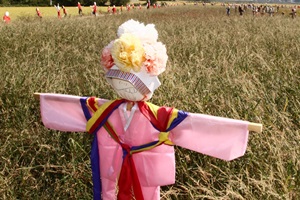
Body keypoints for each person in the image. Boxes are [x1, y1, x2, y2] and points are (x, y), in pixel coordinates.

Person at [34, 19, 261, 200]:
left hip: (143, 168)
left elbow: (197, 123)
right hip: (112, 162)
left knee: (147, 194)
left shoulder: (160, 116)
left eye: (129, 83)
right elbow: (76, 104)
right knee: (108, 191)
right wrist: (46, 100)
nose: (122, 87)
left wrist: (237, 129)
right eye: (117, 82)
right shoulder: (106, 110)